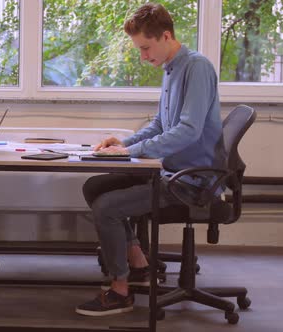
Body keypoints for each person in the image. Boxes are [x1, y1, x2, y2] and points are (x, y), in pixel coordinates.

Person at [76, 3, 225, 317]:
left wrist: (130, 153)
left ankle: (120, 291)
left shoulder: (196, 67)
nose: (143, 56)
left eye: (145, 47)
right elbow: (161, 124)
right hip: (171, 169)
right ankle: (139, 266)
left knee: (107, 208)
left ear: (166, 36)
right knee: (95, 186)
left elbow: (187, 131)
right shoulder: (171, 68)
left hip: (190, 180)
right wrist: (123, 143)